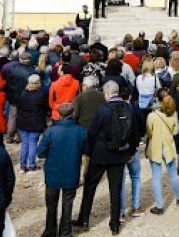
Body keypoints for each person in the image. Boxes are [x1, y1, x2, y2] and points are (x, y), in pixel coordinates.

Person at [74, 80, 138, 235]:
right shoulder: (128, 108)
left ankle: (84, 219)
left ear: (108, 93)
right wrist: (131, 152)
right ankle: (115, 224)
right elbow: (134, 133)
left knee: (90, 186)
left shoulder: (103, 110)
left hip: (100, 155)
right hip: (120, 154)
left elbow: (92, 132)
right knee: (115, 189)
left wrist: (88, 152)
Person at [37, 102, 87, 237]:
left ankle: (50, 231)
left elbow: (40, 152)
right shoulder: (81, 131)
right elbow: (87, 150)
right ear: (73, 114)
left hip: (53, 172)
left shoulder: (50, 131)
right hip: (71, 171)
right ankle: (65, 232)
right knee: (68, 203)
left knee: (51, 204)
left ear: (59, 114)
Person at [144, 94, 179, 214]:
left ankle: (159, 205)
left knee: (156, 177)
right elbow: (175, 131)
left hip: (155, 146)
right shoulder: (174, 115)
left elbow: (149, 132)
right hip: (168, 146)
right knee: (173, 174)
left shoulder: (152, 116)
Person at [17, 74, 48, 171]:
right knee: (33, 144)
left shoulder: (23, 93)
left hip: (23, 121)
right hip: (36, 122)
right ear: (38, 83)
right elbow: (45, 108)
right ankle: (31, 165)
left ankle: (22, 165)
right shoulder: (41, 95)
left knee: (25, 144)